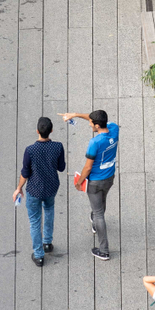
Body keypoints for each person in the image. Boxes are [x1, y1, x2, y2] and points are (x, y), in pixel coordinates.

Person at [61, 107, 119, 260]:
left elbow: (87, 167)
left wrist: (79, 182)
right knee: (102, 202)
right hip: (109, 177)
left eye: (91, 123)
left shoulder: (95, 142)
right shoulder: (114, 129)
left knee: (99, 214)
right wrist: (76, 114)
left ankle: (104, 250)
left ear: (97, 126)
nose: (89, 124)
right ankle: (95, 221)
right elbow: (94, 118)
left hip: (94, 182)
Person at [13, 117, 66, 267]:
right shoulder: (58, 147)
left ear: (37, 131)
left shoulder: (30, 150)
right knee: (49, 210)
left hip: (34, 190)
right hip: (51, 187)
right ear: (51, 131)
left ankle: (39, 255)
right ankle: (47, 243)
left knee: (35, 222)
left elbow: (25, 173)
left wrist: (19, 188)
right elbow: (61, 168)